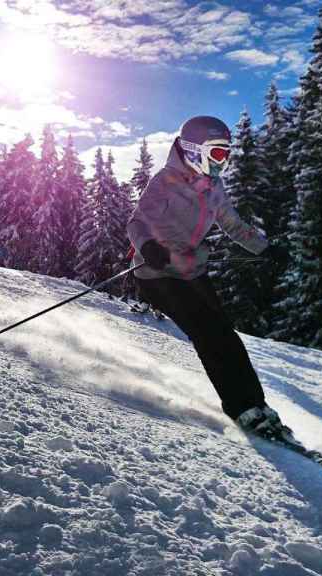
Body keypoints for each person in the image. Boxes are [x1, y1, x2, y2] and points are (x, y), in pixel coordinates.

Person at [126, 115, 292, 443]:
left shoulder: (215, 187)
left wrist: (265, 248)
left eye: (226, 155)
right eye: (217, 154)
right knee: (207, 332)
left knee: (226, 336)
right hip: (157, 273)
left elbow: (233, 224)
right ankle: (241, 406)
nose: (223, 162)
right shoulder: (164, 181)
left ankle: (257, 406)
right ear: (192, 150)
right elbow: (137, 222)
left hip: (191, 270)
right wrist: (147, 246)